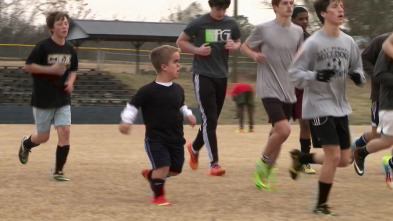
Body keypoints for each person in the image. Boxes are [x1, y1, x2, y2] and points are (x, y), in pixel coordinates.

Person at [288, 0, 366, 215]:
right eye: (334, 5)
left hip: (340, 107)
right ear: (323, 13)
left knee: (344, 159)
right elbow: (294, 74)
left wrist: (358, 76)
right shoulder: (313, 43)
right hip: (318, 106)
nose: (340, 9)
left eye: (341, 5)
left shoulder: (349, 41)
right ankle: (321, 206)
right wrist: (316, 75)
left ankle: (302, 158)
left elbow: (358, 67)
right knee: (332, 156)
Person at [119, 45, 196, 206]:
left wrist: (188, 114)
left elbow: (181, 105)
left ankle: (151, 175)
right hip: (156, 139)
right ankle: (158, 196)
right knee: (163, 166)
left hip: (176, 138)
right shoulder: (147, 90)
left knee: (175, 170)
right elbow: (133, 105)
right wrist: (126, 121)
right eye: (175, 62)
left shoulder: (178, 90)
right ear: (164, 67)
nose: (179, 65)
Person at [240, 0, 303, 191]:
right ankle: (262, 164)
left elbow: (299, 52)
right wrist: (254, 55)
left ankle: (265, 174)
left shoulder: (298, 31)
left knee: (277, 134)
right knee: (283, 130)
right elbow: (244, 46)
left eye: (291, 3)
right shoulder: (263, 29)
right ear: (275, 7)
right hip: (268, 87)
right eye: (285, 3)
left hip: (289, 89)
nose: (289, 6)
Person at [176, 0, 241, 176]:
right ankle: (214, 163)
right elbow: (181, 41)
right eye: (218, 8)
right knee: (210, 119)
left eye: (224, 9)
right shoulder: (199, 23)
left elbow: (238, 41)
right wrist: (197, 50)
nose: (221, 12)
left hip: (222, 76)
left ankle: (194, 147)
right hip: (203, 75)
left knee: (210, 121)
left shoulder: (231, 24)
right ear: (211, 6)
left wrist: (235, 46)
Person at [18, 11, 78, 182]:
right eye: (60, 24)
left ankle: (58, 171)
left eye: (66, 23)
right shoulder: (42, 47)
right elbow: (28, 67)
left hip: (62, 98)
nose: (64, 26)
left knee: (65, 131)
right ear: (52, 28)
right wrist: (49, 70)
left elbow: (73, 69)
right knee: (43, 137)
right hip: (43, 98)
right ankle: (26, 143)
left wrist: (71, 82)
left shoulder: (70, 48)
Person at [353, 47, 393, 190]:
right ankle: (361, 151)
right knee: (385, 140)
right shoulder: (387, 45)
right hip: (389, 102)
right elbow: (379, 73)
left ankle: (390, 164)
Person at [349, 33, 390, 163]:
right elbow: (364, 59)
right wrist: (377, 74)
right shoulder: (381, 41)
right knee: (376, 135)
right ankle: (358, 145)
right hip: (381, 96)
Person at [291, 6, 315, 174]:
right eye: (301, 19)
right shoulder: (284, 37)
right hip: (284, 85)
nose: (305, 22)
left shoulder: (311, 40)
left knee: (305, 123)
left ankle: (304, 160)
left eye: (307, 19)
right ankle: (268, 159)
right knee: (280, 127)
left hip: (303, 86)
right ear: (292, 19)